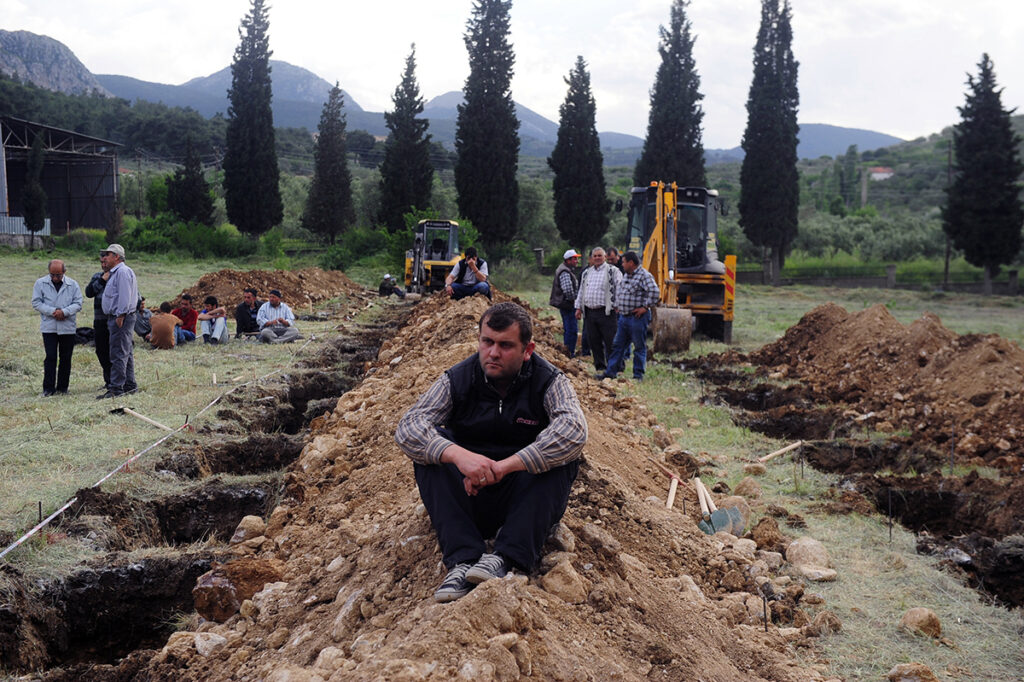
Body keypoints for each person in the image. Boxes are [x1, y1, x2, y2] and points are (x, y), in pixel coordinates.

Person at [395, 302, 587, 603]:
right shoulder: (458, 379)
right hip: (468, 495)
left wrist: (505, 467)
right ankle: (462, 561)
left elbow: (574, 430)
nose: (493, 353)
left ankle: (506, 558)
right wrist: (459, 457)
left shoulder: (549, 381)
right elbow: (409, 426)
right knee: (432, 449)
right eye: (487, 342)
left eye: (505, 345)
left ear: (528, 349)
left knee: (563, 456)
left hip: (523, 500)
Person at [603, 251, 660, 381]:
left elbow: (655, 293)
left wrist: (645, 307)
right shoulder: (627, 276)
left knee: (639, 346)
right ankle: (610, 372)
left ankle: (638, 375)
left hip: (637, 318)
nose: (622, 264)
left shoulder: (644, 276)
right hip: (624, 317)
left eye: (623, 262)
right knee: (618, 345)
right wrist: (618, 305)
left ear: (631, 263)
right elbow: (622, 292)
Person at [31, 259, 83, 396]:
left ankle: (62, 388)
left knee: (66, 358)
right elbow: (36, 302)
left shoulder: (73, 285)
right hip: (49, 327)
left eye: (58, 275)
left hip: (67, 327)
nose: (55, 278)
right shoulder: (40, 283)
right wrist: (53, 311)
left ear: (64, 272)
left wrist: (64, 312)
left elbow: (78, 303)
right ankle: (48, 389)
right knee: (51, 357)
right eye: (52, 275)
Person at [99, 244, 139, 398]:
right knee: (125, 352)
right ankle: (129, 385)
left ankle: (116, 389)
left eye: (108, 255)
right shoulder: (116, 272)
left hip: (120, 318)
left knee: (118, 353)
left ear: (116, 256)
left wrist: (121, 315)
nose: (105, 258)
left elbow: (124, 296)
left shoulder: (122, 272)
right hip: (119, 317)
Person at [574, 247, 621, 376]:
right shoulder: (586, 273)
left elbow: (620, 288)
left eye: (600, 255)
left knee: (610, 341)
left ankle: (614, 368)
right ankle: (600, 366)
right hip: (590, 313)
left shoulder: (613, 271)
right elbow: (581, 292)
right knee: (593, 341)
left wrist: (617, 305)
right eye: (595, 256)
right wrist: (578, 308)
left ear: (605, 257)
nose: (597, 258)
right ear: (591, 258)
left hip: (606, 312)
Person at [85, 255, 113, 391]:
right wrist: (102, 280)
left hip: (114, 321)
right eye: (101, 262)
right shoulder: (97, 276)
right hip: (99, 321)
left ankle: (117, 382)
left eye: (105, 262)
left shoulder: (119, 276)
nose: (103, 265)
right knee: (101, 351)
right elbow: (89, 292)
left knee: (114, 352)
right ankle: (108, 381)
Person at [548, 249, 581, 357]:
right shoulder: (565, 272)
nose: (577, 261)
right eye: (574, 259)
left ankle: (568, 351)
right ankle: (569, 352)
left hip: (566, 305)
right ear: (568, 260)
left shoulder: (565, 269)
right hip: (568, 305)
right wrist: (574, 301)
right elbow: (568, 290)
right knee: (571, 330)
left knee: (569, 328)